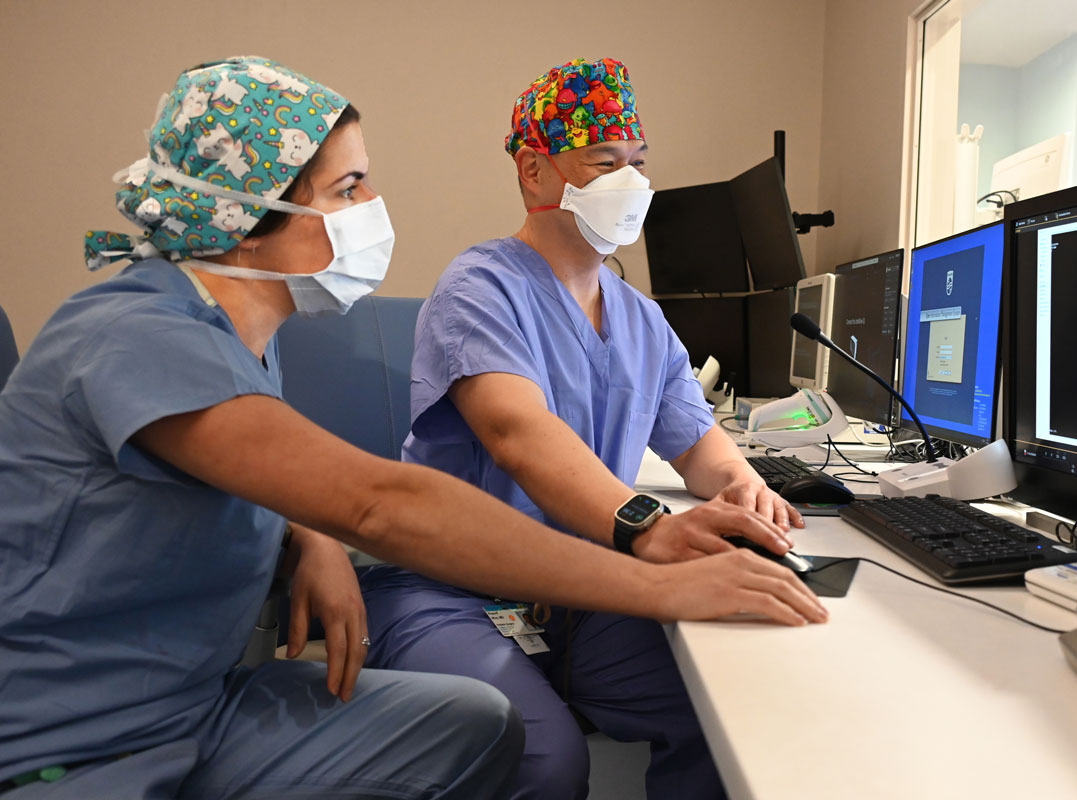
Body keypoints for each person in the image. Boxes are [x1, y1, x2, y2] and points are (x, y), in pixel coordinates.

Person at [0, 56, 822, 799]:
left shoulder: (239, 343)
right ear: (245, 216)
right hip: (75, 740)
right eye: (348, 190)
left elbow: (239, 469)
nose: (372, 211)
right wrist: (656, 575)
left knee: (493, 724)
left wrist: (305, 535)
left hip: (200, 707)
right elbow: (380, 505)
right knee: (542, 754)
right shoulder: (131, 332)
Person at [360, 58, 829, 800]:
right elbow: (518, 433)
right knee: (541, 759)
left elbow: (698, 443)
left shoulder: (640, 316)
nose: (631, 183)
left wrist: (747, 490)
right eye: (603, 163)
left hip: (586, 591)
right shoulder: (480, 289)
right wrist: (646, 526)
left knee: (739, 712)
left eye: (638, 164)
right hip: (454, 592)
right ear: (535, 173)